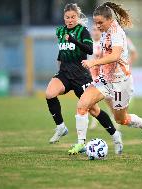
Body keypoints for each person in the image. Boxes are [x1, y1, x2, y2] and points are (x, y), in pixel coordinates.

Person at [68, 2, 142, 155]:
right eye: (96, 23)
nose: (98, 26)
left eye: (100, 22)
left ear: (110, 20)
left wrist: (94, 62)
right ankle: (81, 143)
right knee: (82, 105)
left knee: (121, 119)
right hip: (105, 80)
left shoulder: (117, 32)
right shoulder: (104, 32)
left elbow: (115, 56)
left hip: (121, 83)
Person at [46, 3, 123, 152]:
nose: (70, 20)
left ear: (77, 17)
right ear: (64, 18)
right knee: (49, 93)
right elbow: (62, 51)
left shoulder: (83, 31)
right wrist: (59, 67)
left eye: (73, 17)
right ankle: (61, 127)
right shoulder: (60, 31)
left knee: (94, 110)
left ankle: (115, 135)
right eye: (67, 17)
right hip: (65, 74)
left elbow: (89, 49)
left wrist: (73, 40)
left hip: (81, 76)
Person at [89, 25, 138, 130]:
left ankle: (119, 117)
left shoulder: (121, 40)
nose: (96, 32)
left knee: (111, 100)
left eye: (97, 29)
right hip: (97, 75)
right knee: (93, 99)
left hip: (118, 75)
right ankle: (96, 120)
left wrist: (126, 65)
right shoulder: (91, 42)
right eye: (94, 29)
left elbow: (133, 53)